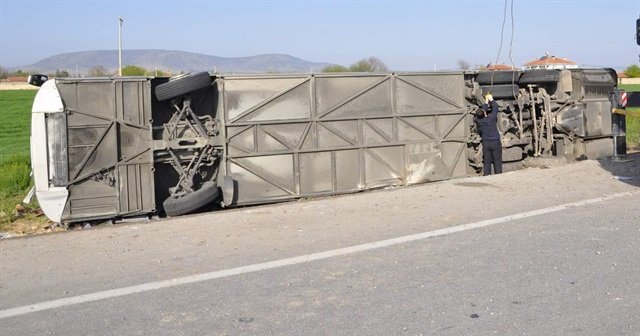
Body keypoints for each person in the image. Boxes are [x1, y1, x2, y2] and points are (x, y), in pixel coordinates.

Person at [475, 94, 502, 175]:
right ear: (485, 114)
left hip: (486, 143)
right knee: (497, 161)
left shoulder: (478, 120)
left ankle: (487, 176)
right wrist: (491, 99)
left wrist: (486, 102)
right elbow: (496, 107)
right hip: (495, 142)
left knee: (487, 161)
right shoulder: (491, 119)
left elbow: (481, 112)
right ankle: (499, 175)